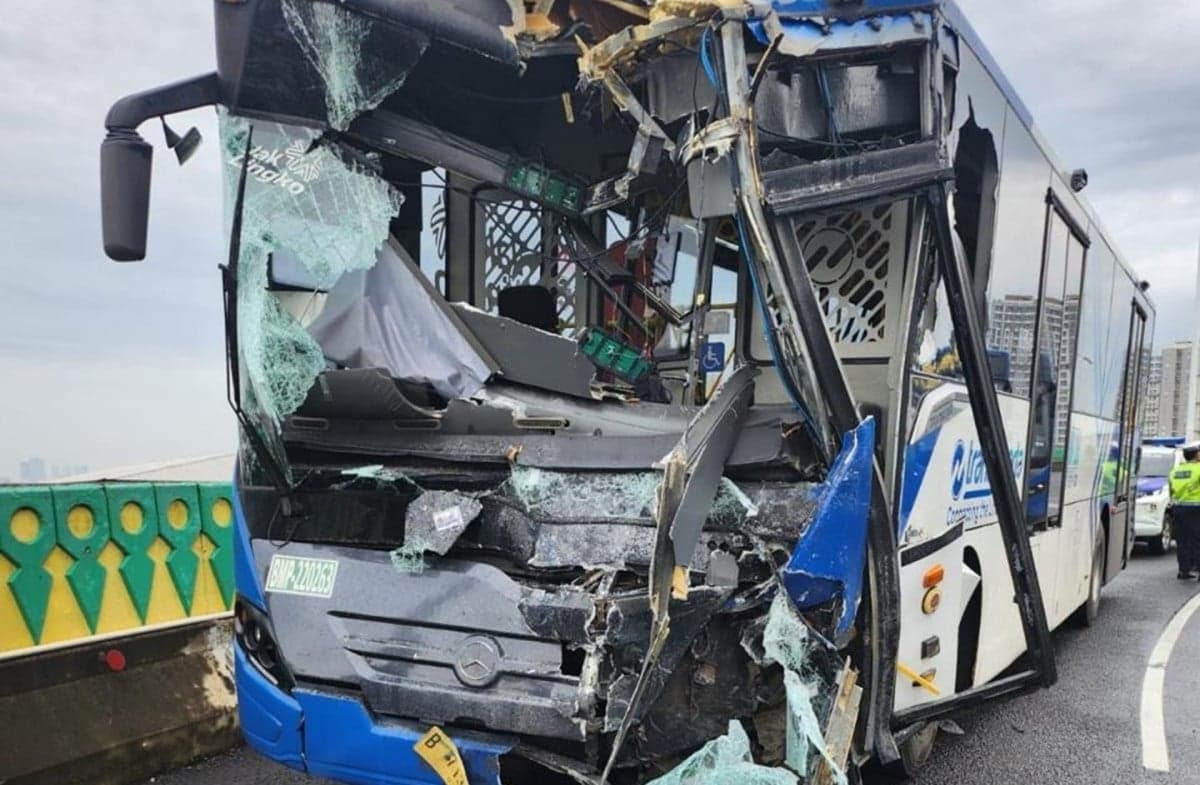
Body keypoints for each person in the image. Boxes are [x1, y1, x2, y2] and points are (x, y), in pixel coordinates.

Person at [1168, 444, 1200, 580]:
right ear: (1196, 455)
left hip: (1179, 508)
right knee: (1197, 539)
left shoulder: (1175, 471)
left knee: (1182, 540)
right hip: (1196, 508)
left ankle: (1183, 571)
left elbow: (1171, 491)